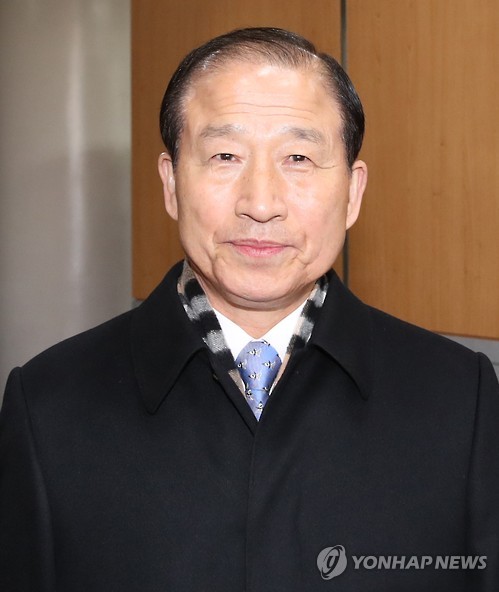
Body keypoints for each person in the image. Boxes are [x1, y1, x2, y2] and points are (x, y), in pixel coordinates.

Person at [1, 27, 498, 592]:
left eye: (298, 158)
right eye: (224, 156)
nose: (261, 204)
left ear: (353, 192)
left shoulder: (460, 400)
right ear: (171, 183)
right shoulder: (49, 407)